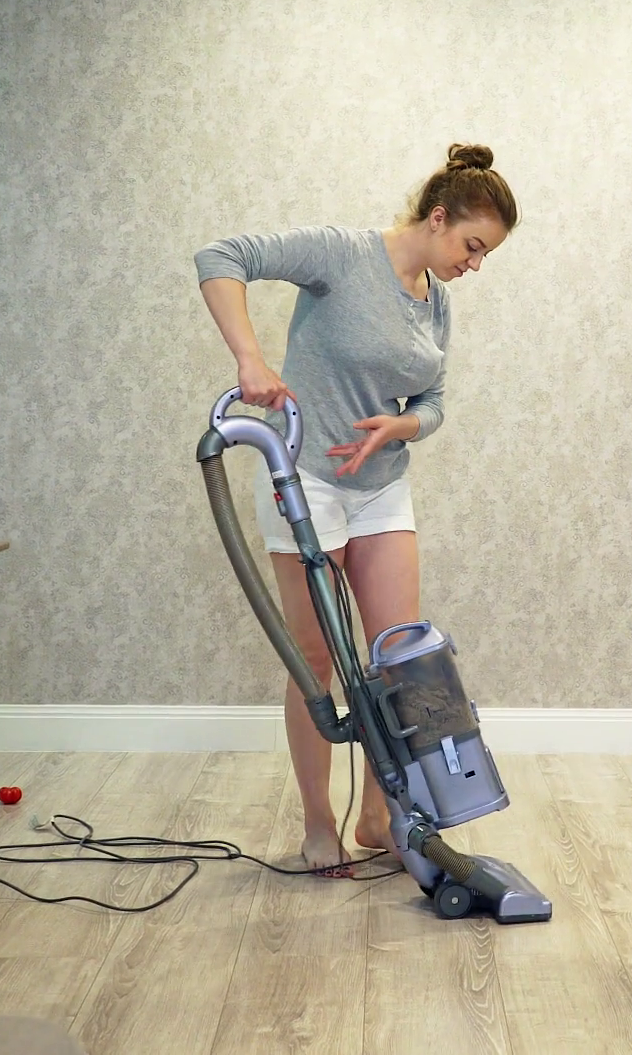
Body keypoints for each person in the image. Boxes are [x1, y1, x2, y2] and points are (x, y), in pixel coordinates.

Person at [194, 143, 518, 875]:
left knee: (398, 658)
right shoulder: (343, 256)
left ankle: (382, 816)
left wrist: (404, 426)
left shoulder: (435, 301)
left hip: (381, 486)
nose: (474, 264)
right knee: (317, 661)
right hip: (303, 478)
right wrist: (250, 359)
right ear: (438, 218)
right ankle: (317, 825)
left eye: (484, 254)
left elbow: (433, 400)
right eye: (472, 246)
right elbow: (220, 256)